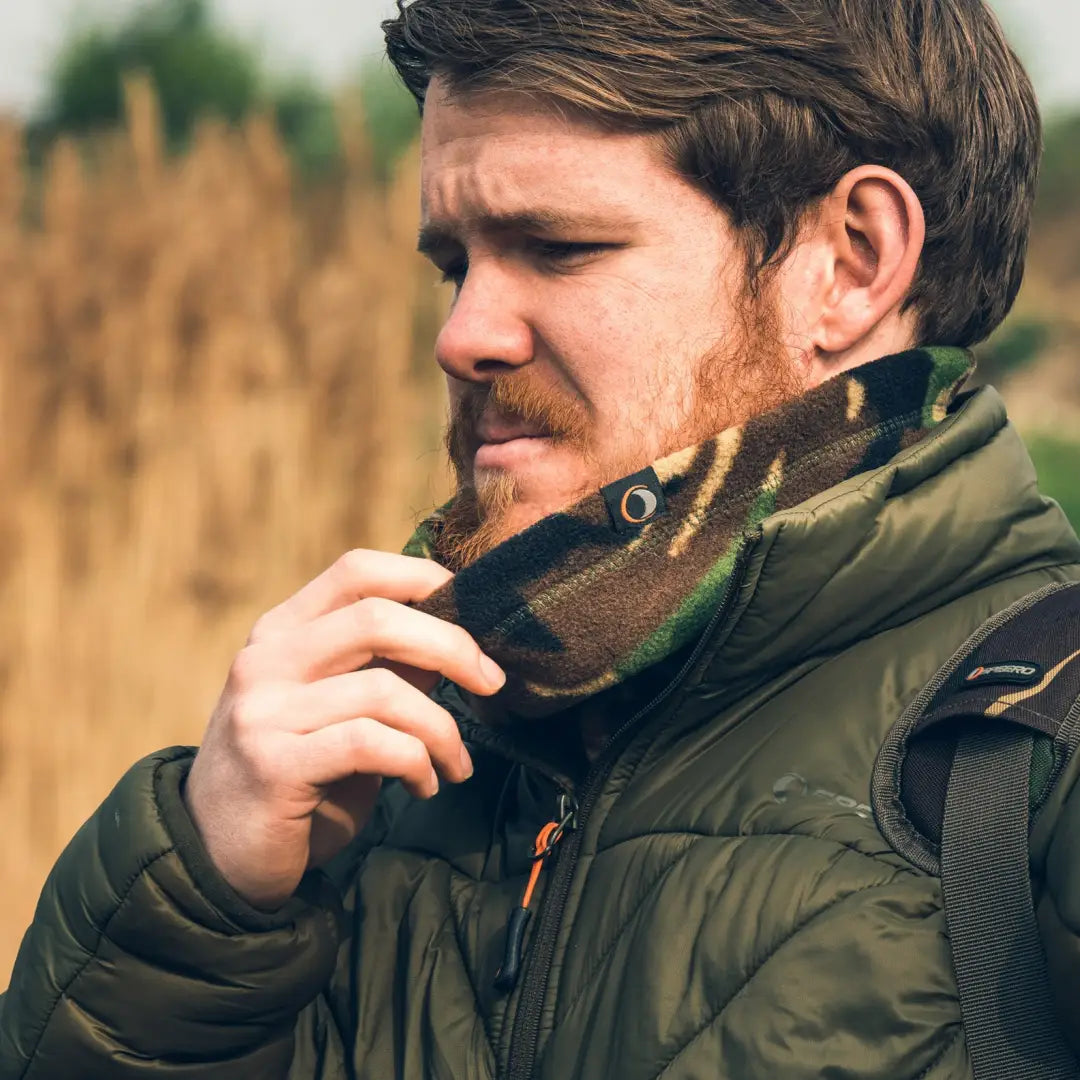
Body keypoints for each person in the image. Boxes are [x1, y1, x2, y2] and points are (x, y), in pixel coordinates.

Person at [2, 1, 1079, 1077]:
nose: (461, 334)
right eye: (452, 265)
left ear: (851, 261)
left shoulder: (1042, 762)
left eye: (559, 248)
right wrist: (200, 905)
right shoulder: (375, 774)